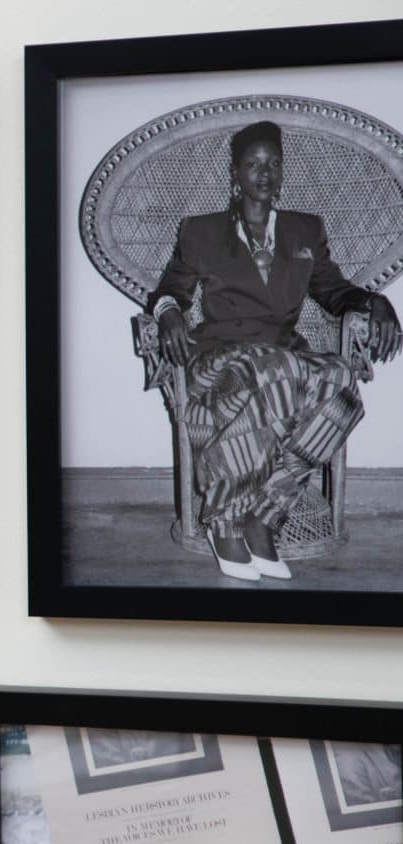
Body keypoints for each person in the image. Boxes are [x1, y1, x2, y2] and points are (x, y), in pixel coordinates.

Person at [149, 120, 402, 581]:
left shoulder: (305, 230)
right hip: (220, 360)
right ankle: (224, 519)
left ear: (282, 173)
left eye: (274, 163)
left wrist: (376, 301)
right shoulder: (200, 232)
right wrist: (167, 312)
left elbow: (335, 291)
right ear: (236, 173)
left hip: (279, 359)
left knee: (341, 382)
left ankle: (265, 513)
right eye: (254, 163)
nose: (265, 172)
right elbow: (172, 290)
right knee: (281, 368)